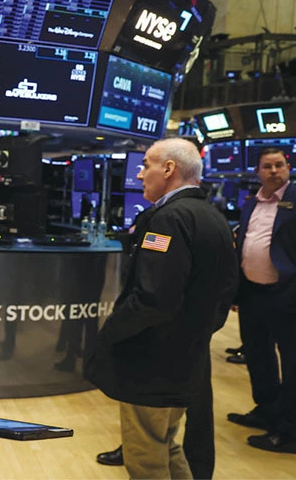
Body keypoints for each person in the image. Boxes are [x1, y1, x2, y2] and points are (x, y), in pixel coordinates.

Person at [85, 138, 238, 479]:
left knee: (146, 460)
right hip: (186, 359)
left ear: (169, 169)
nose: (139, 175)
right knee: (166, 446)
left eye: (146, 165)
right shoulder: (214, 218)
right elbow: (226, 291)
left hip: (153, 363)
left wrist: (108, 334)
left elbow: (153, 298)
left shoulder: (168, 219)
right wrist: (197, 332)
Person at [227, 148, 296, 455]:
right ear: (257, 171)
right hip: (253, 294)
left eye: (279, 165)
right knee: (259, 358)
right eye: (267, 166)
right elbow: (244, 244)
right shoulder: (251, 202)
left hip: (290, 295)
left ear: (288, 167)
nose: (274, 171)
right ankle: (267, 412)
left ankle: (291, 431)